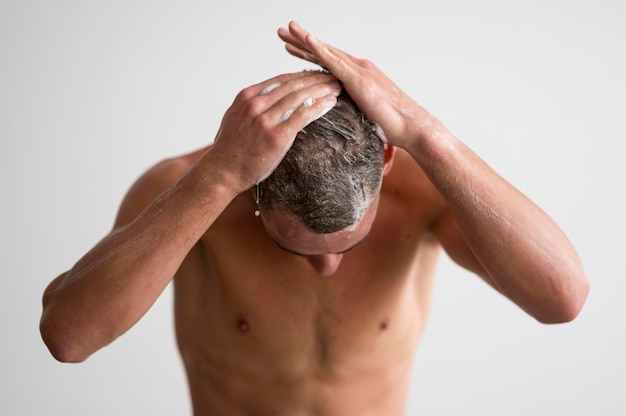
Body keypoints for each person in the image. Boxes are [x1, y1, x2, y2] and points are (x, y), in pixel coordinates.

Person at [39, 21, 589, 416]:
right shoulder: (192, 193)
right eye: (294, 247)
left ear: (387, 164)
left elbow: (563, 298)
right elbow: (68, 338)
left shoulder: (423, 194)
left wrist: (427, 134)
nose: (328, 268)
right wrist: (216, 177)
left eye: (347, 245)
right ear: (254, 185)